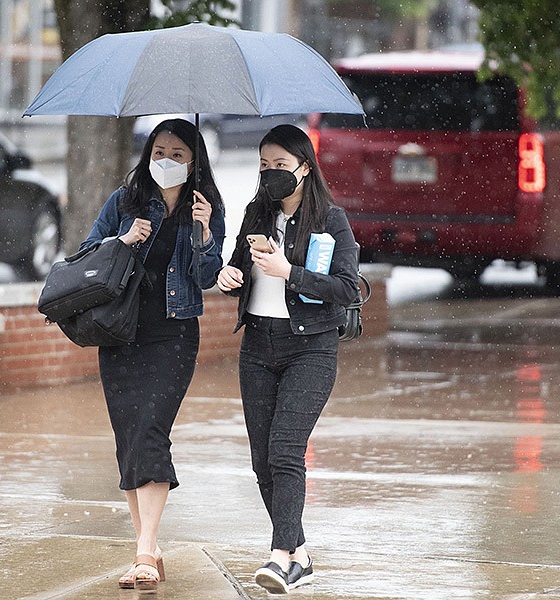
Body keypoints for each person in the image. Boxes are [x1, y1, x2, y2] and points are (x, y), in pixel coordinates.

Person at [81, 118, 225, 591]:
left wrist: (203, 236)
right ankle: (150, 547)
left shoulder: (205, 208)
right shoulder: (124, 202)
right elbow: (86, 256)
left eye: (179, 154)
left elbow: (206, 277)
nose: (167, 161)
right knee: (130, 439)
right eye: (159, 151)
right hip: (120, 334)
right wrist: (123, 240)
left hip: (174, 336)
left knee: (150, 430)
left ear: (194, 162)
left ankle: (143, 552)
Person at [217, 124, 358, 594]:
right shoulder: (256, 212)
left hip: (311, 348)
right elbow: (238, 261)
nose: (271, 174)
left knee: (285, 452)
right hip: (257, 345)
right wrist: (229, 273)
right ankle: (298, 552)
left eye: (280, 166)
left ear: (304, 167)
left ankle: (280, 559)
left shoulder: (331, 220)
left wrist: (289, 273)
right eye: (263, 166)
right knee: (262, 461)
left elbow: (346, 289)